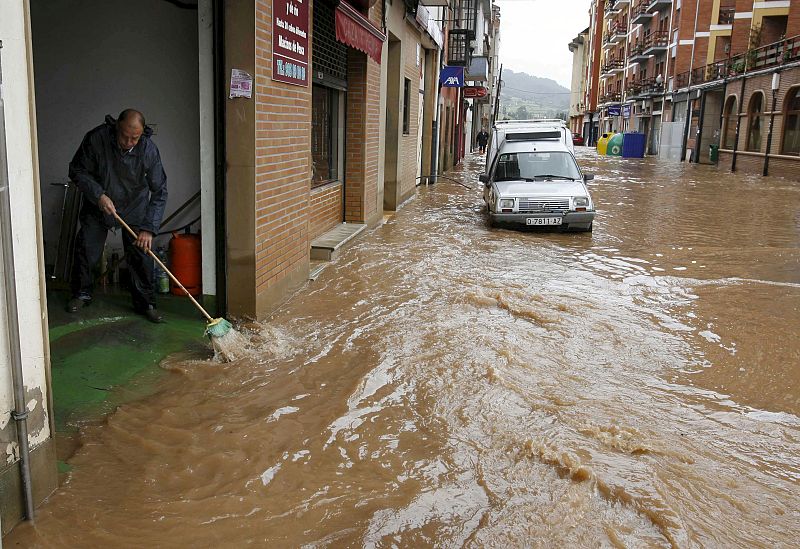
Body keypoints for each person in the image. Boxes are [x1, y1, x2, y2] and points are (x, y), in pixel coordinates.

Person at [66, 109, 168, 323]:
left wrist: (149, 227)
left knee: (141, 254)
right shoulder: (97, 138)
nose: (129, 142)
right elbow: (77, 170)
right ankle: (81, 294)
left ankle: (146, 303)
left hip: (135, 206)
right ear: (116, 128)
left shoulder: (148, 149)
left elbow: (159, 190)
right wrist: (98, 195)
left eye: (135, 138)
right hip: (99, 203)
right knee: (87, 249)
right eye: (124, 136)